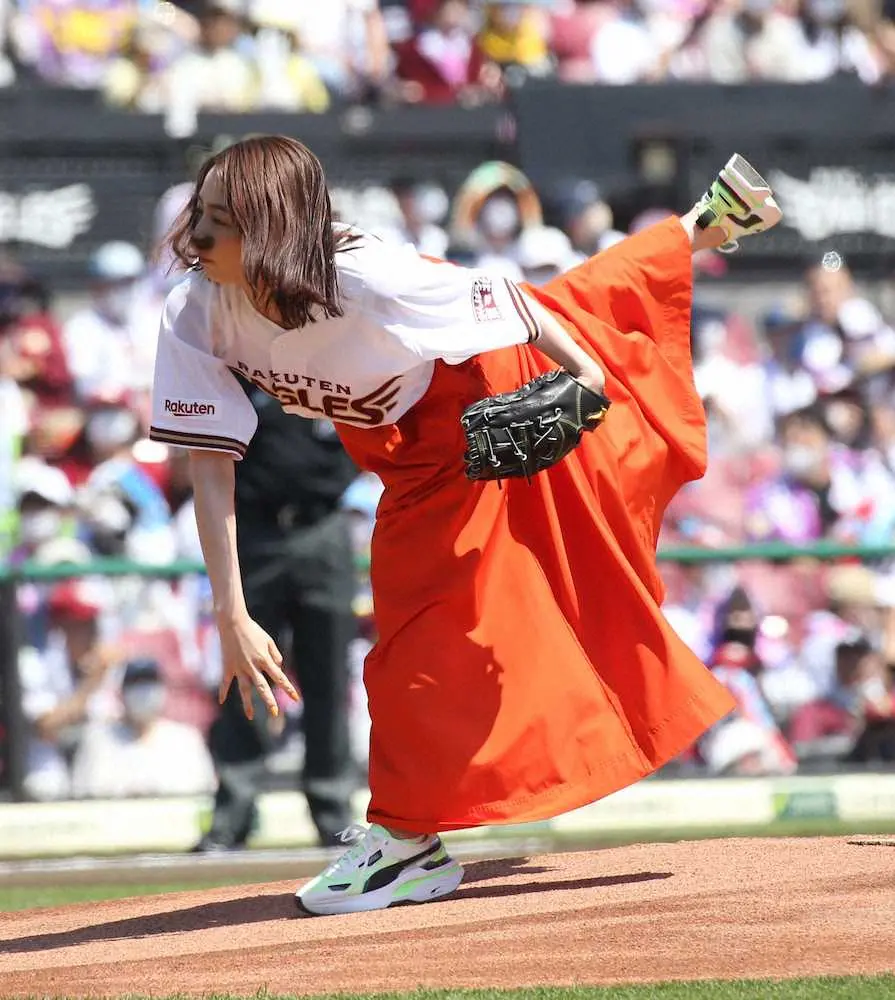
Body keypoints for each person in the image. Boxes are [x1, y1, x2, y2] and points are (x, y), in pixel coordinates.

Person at [148, 136, 782, 915]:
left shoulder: (366, 277)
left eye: (221, 222)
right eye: (198, 216)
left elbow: (512, 303)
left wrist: (583, 377)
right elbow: (210, 464)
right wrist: (231, 611)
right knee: (577, 304)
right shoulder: (196, 305)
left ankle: (404, 844)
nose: (197, 239)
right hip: (400, 446)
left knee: (409, 643)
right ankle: (699, 224)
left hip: (472, 391)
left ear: (275, 226)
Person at [192, 375, 361, 851]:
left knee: (328, 676)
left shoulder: (325, 361)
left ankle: (334, 814)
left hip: (322, 527)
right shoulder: (237, 366)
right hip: (254, 530)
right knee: (244, 673)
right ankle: (233, 815)